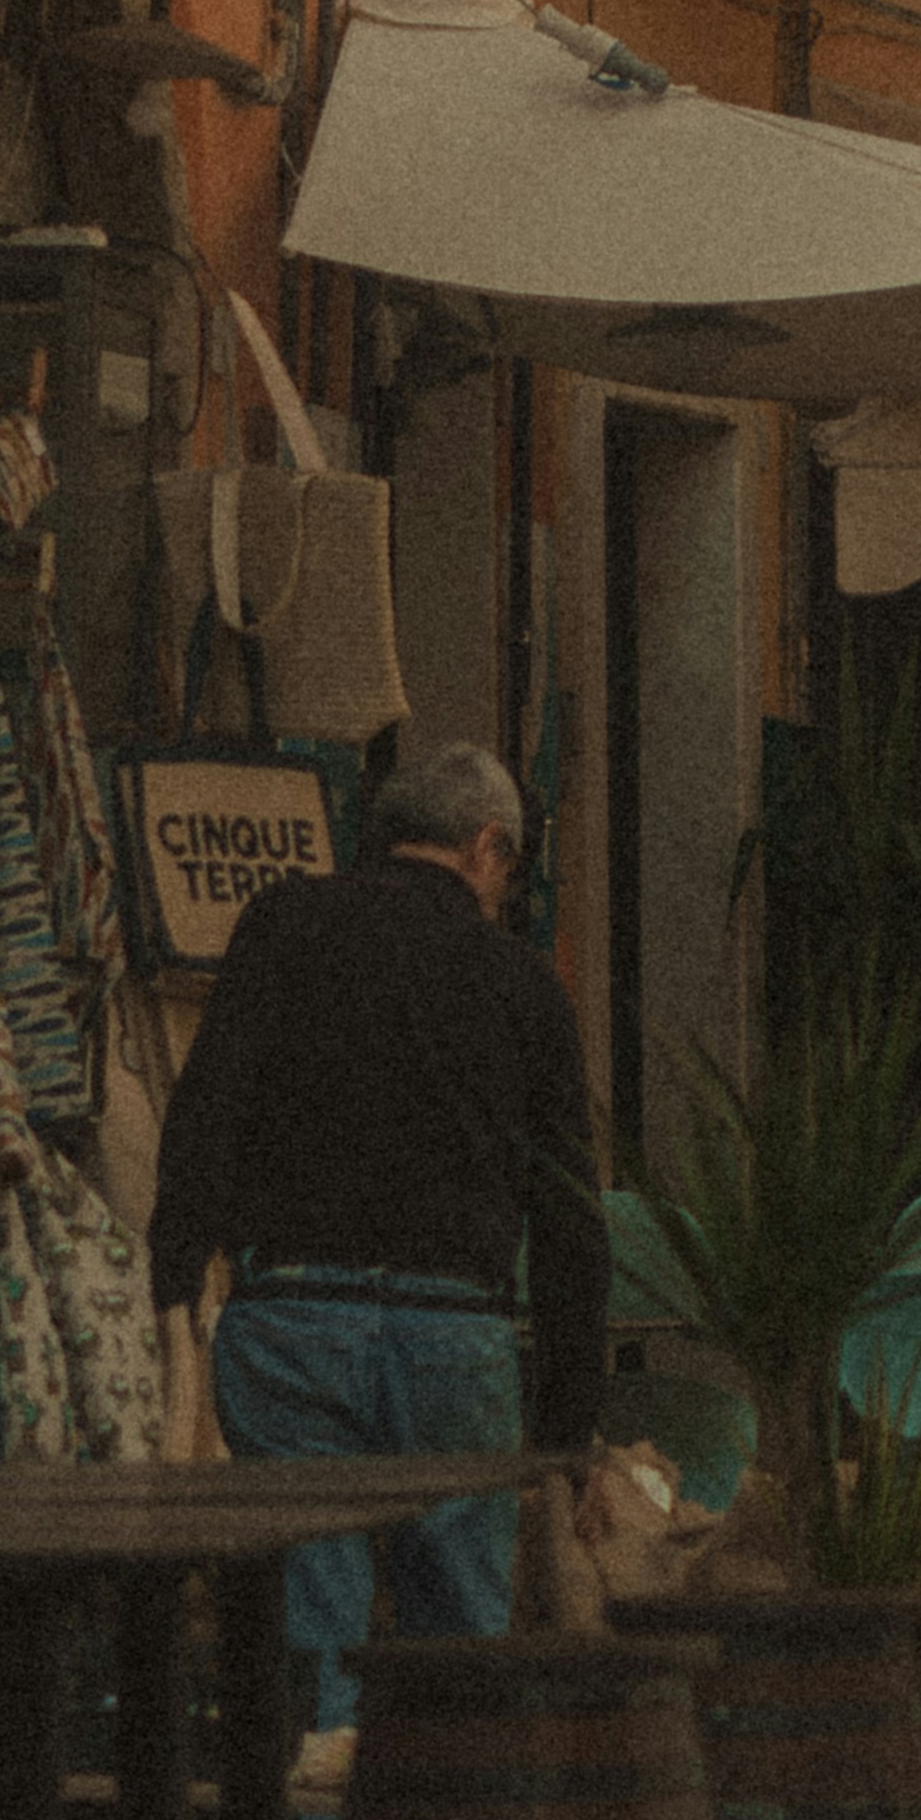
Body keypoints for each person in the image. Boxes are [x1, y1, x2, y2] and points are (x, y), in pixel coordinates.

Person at [147, 735, 609, 1751]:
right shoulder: (523, 985)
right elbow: (571, 1210)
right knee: (458, 1651)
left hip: (293, 1322)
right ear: (486, 846)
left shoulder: (285, 924)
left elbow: (208, 1105)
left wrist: (176, 1265)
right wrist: (571, 1428)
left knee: (311, 1635)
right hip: (455, 1340)